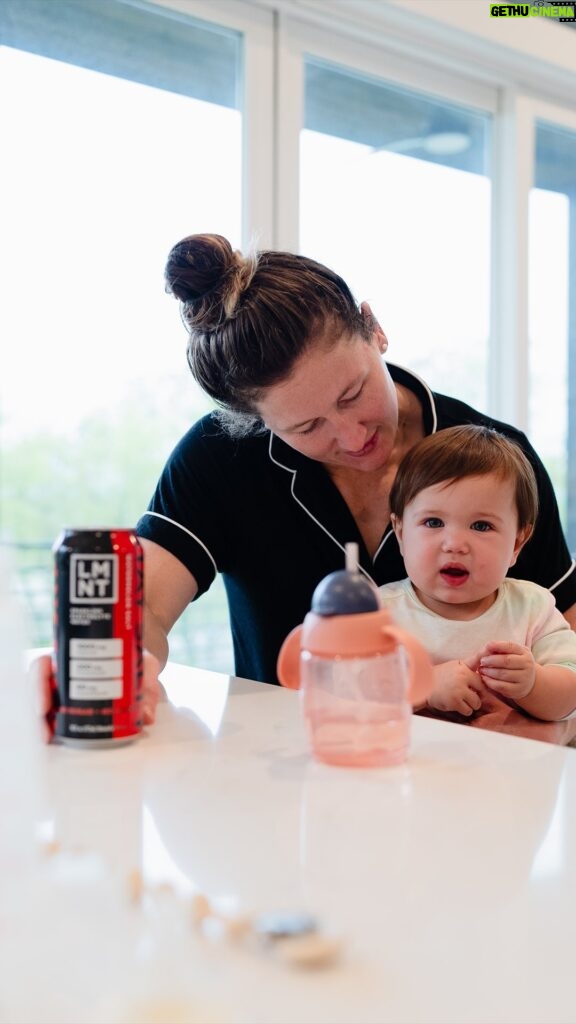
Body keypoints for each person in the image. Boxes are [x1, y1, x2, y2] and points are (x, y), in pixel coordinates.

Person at [35, 233, 576, 739]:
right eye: (306, 427)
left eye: (352, 393)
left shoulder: (497, 461)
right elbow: (144, 610)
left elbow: (566, 633)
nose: (352, 435)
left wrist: (547, 731)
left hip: (486, 785)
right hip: (290, 775)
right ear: (254, 421)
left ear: (374, 328)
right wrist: (102, 662)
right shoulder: (220, 459)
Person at [381, 424, 576, 723]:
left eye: (481, 526)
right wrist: (425, 687)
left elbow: (569, 693)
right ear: (401, 532)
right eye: (433, 522)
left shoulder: (533, 607)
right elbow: (346, 692)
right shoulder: (378, 612)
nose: (455, 545)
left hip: (504, 766)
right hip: (409, 765)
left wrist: (534, 684)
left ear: (517, 544)